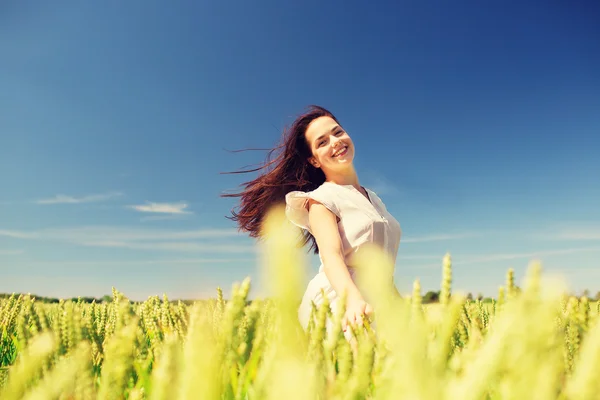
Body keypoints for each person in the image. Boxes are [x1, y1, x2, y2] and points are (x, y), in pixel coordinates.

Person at [222, 105, 402, 337]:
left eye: (337, 132)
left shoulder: (374, 198)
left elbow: (383, 263)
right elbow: (331, 257)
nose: (335, 141)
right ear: (314, 160)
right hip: (340, 301)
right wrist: (353, 301)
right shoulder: (320, 200)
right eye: (322, 142)